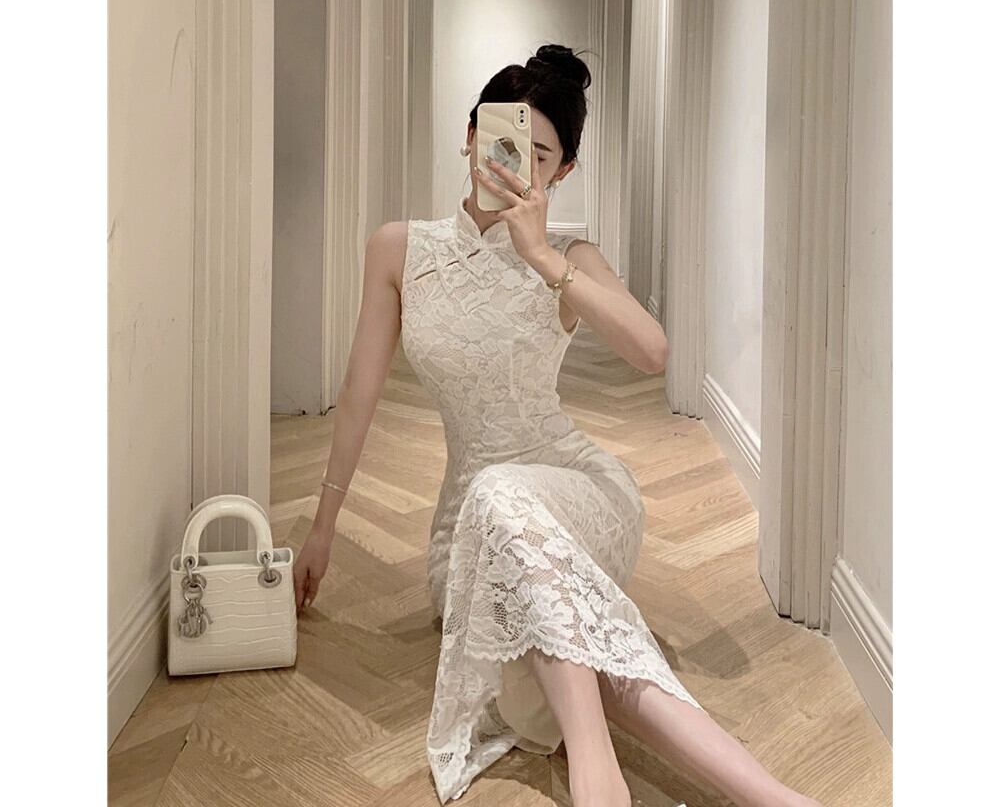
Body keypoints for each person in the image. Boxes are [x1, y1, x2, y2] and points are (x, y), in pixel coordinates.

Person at [293, 45, 823, 807]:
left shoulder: (570, 257)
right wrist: (323, 528)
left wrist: (542, 257)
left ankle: (594, 772)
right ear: (468, 135)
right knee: (558, 632)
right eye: (496, 136)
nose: (508, 160)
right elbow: (358, 392)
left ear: (563, 171)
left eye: (537, 154)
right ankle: (775, 798)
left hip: (579, 493)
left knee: (512, 524)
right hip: (467, 530)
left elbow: (652, 351)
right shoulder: (399, 251)